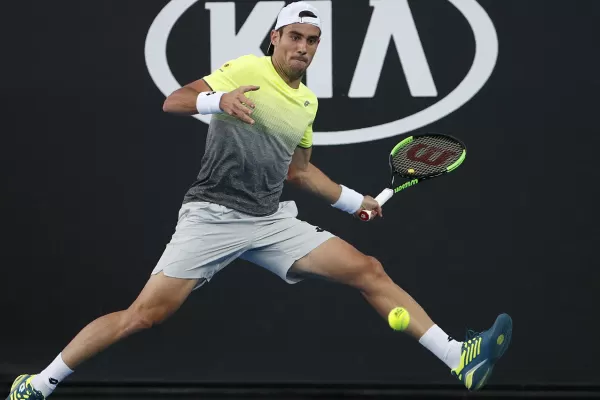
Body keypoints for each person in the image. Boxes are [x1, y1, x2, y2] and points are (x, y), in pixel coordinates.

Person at [5, 2, 512, 399]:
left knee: (368, 269)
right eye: (295, 37)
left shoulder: (307, 102)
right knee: (143, 316)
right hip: (212, 216)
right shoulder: (247, 67)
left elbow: (299, 171)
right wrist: (217, 99)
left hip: (270, 220)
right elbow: (174, 100)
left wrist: (353, 200)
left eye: (313, 41)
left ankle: (457, 357)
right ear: (276, 38)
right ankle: (41, 382)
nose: (304, 48)